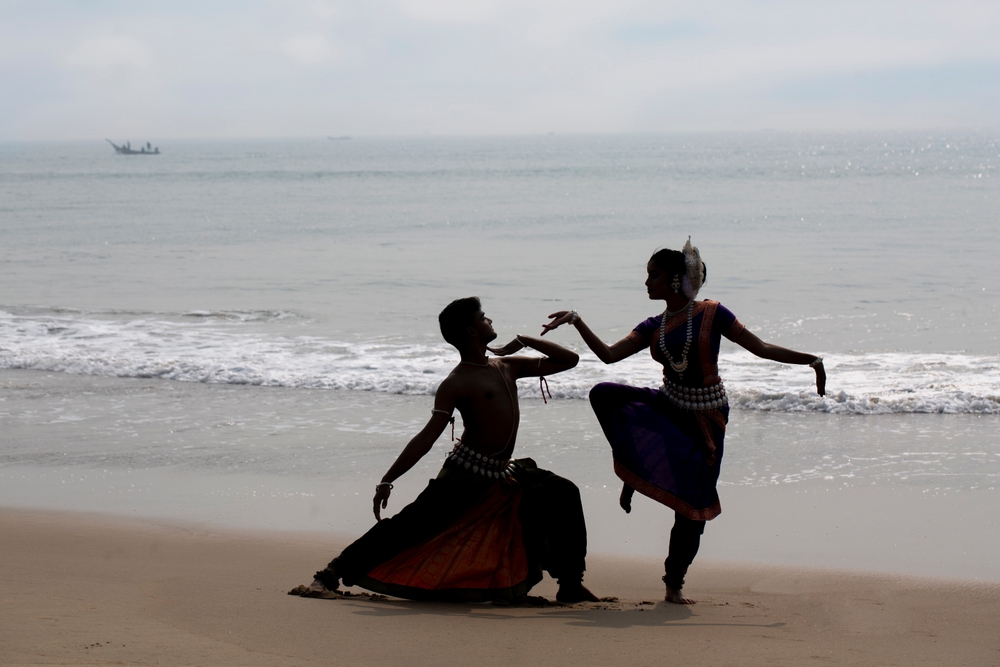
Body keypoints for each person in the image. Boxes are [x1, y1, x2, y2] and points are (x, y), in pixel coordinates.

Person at [542, 238, 825, 604]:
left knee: (693, 506)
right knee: (605, 393)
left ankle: (673, 583)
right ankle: (636, 468)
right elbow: (610, 356)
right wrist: (577, 321)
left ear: (676, 280)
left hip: (706, 417)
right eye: (647, 276)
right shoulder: (652, 325)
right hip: (668, 407)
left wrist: (811, 360)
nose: (647, 283)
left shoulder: (713, 313)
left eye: (654, 276)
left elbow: (761, 347)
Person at [295, 297, 599, 603]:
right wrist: (388, 479)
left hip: (501, 472)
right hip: (465, 475)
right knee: (409, 526)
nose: (489, 320)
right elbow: (427, 437)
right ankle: (330, 574)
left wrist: (521, 340)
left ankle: (570, 583)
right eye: (483, 318)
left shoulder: (507, 366)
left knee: (563, 492)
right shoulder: (456, 382)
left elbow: (569, 360)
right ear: (470, 330)